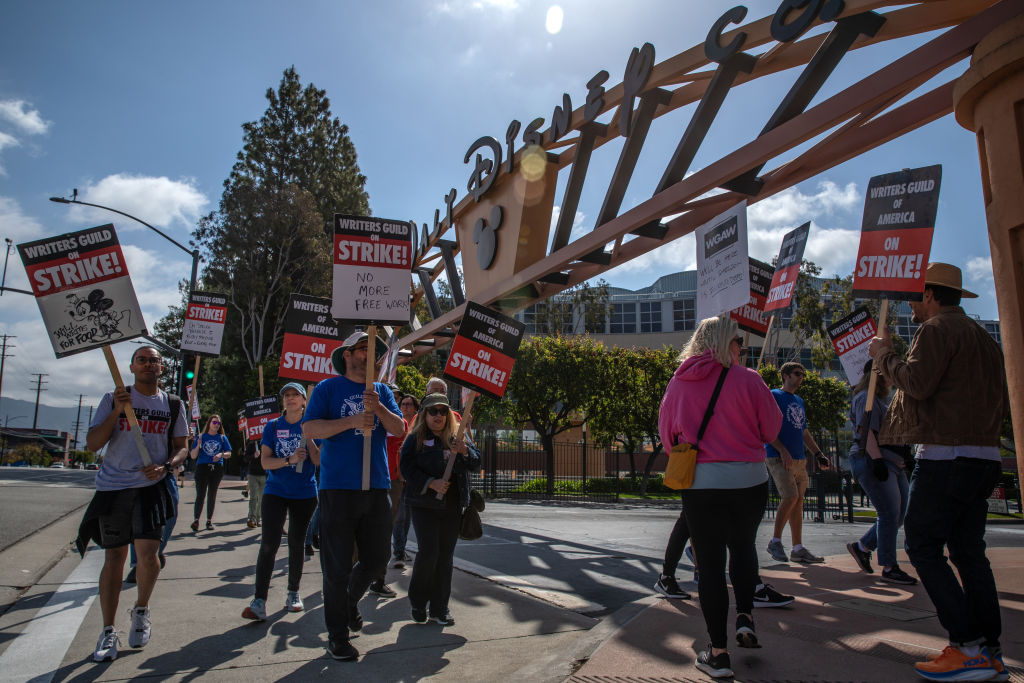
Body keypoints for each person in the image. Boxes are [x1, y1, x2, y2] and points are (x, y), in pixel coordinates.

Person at [869, 263, 1009, 682]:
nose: (912, 304)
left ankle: (966, 644)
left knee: (923, 546)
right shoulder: (983, 338)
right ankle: (989, 649)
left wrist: (884, 356)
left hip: (946, 457)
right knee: (969, 553)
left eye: (915, 296)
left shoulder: (935, 331)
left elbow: (917, 382)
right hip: (982, 456)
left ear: (930, 295)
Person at [659, 315, 782, 679]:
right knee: (744, 548)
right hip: (750, 481)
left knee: (710, 566)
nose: (741, 349)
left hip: (702, 484)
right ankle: (745, 616)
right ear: (729, 342)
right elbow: (771, 429)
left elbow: (669, 438)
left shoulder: (679, 382)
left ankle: (718, 653)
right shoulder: (750, 380)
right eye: (739, 343)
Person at [76, 345, 188, 662]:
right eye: (142, 360)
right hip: (114, 488)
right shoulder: (114, 398)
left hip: (151, 487)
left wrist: (166, 466)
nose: (148, 364)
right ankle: (108, 630)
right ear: (131, 366)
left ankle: (141, 609)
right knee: (114, 556)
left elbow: (182, 446)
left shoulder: (172, 403)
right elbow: (93, 443)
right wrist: (117, 411)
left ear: (162, 368)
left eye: (154, 360)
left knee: (148, 557)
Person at [302, 331, 405, 662]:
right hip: (338, 488)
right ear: (347, 355)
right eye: (364, 349)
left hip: (376, 486)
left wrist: (379, 410)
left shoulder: (382, 391)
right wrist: (349, 421)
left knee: (377, 558)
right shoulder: (327, 389)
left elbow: (399, 429)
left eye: (374, 352)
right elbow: (311, 429)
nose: (370, 356)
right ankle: (337, 637)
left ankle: (348, 602)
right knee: (336, 567)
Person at [242, 382, 320, 620]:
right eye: (286, 395)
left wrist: (309, 437)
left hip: (305, 494)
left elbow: (317, 461)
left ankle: (293, 592)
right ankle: (259, 600)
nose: (290, 398)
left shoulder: (312, 425)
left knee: (297, 544)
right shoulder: (273, 426)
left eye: (295, 394)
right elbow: (265, 462)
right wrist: (288, 459)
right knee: (269, 544)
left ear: (304, 400)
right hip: (276, 491)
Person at [401, 393, 480, 626]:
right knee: (428, 553)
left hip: (452, 506)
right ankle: (417, 602)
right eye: (433, 411)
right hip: (424, 504)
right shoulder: (414, 439)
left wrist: (465, 451)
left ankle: (439, 608)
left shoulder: (457, 437)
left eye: (443, 411)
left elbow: (476, 463)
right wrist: (430, 482)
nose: (438, 416)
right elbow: (406, 468)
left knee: (445, 557)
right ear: (424, 414)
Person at [845, 359, 917, 585]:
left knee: (898, 515)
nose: (890, 378)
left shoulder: (881, 400)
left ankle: (862, 546)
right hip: (873, 460)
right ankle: (888, 565)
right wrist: (876, 460)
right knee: (888, 513)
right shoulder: (865, 399)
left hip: (892, 463)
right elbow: (865, 432)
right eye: (886, 373)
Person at [764, 362, 830, 564]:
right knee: (790, 497)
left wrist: (818, 454)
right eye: (796, 374)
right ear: (784, 375)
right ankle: (775, 541)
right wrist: (782, 450)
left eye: (802, 374)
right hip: (778, 456)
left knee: (798, 502)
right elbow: (765, 426)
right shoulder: (774, 396)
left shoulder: (798, 401)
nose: (800, 377)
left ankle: (797, 547)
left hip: (799, 458)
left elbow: (804, 431)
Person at [189, 414, 231, 531]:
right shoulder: (201, 437)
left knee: (212, 494)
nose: (216, 425)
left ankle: (209, 521)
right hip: (202, 468)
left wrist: (221, 454)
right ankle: (196, 520)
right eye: (214, 422)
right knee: (200, 495)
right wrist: (198, 445)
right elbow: (193, 456)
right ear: (209, 423)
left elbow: (229, 453)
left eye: (218, 423)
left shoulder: (222, 438)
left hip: (216, 468)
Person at [391, 393, 418, 568]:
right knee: (399, 517)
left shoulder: (419, 425)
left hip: (412, 479)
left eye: (409, 404)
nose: (405, 407)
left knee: (407, 517)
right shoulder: (397, 423)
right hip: (398, 477)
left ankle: (401, 547)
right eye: (403, 404)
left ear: (415, 408)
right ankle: (398, 551)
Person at [245, 439, 266, 528]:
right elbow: (245, 458)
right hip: (253, 474)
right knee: (253, 497)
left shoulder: (267, 442)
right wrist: (253, 455)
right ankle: (251, 518)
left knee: (261, 498)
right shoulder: (251, 444)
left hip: (264, 474)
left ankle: (258, 518)